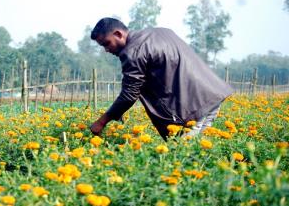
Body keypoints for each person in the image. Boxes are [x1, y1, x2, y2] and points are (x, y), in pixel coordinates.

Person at [89, 17, 233, 141]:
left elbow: (129, 94)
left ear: (118, 34)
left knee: (185, 157)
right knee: (201, 151)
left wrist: (101, 122)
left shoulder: (133, 52)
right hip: (211, 95)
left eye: (106, 44)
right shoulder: (161, 32)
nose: (106, 50)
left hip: (192, 107)